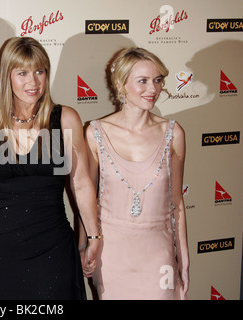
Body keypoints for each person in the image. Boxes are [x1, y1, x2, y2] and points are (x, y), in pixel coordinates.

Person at [0, 36, 100, 300]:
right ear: (7, 76)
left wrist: (94, 237)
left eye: (39, 72)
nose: (32, 82)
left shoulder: (65, 119)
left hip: (54, 253)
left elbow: (81, 183)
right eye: (22, 73)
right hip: (2, 258)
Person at [83, 47, 189, 299]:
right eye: (142, 81)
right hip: (112, 255)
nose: (152, 89)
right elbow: (85, 198)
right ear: (121, 84)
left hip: (158, 254)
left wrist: (183, 259)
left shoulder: (174, 133)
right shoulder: (95, 132)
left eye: (157, 80)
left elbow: (177, 204)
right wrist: (83, 246)